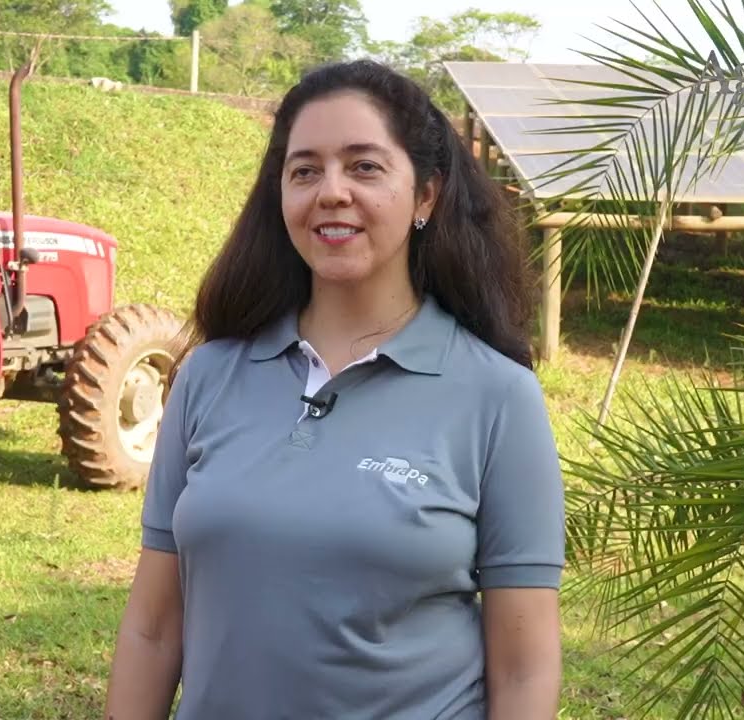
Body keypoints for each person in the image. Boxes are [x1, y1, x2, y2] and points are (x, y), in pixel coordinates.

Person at [103, 59, 565, 720]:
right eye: (305, 170)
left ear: (426, 197)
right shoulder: (207, 377)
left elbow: (525, 666)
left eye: (365, 166)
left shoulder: (498, 397)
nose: (331, 192)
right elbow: (153, 629)